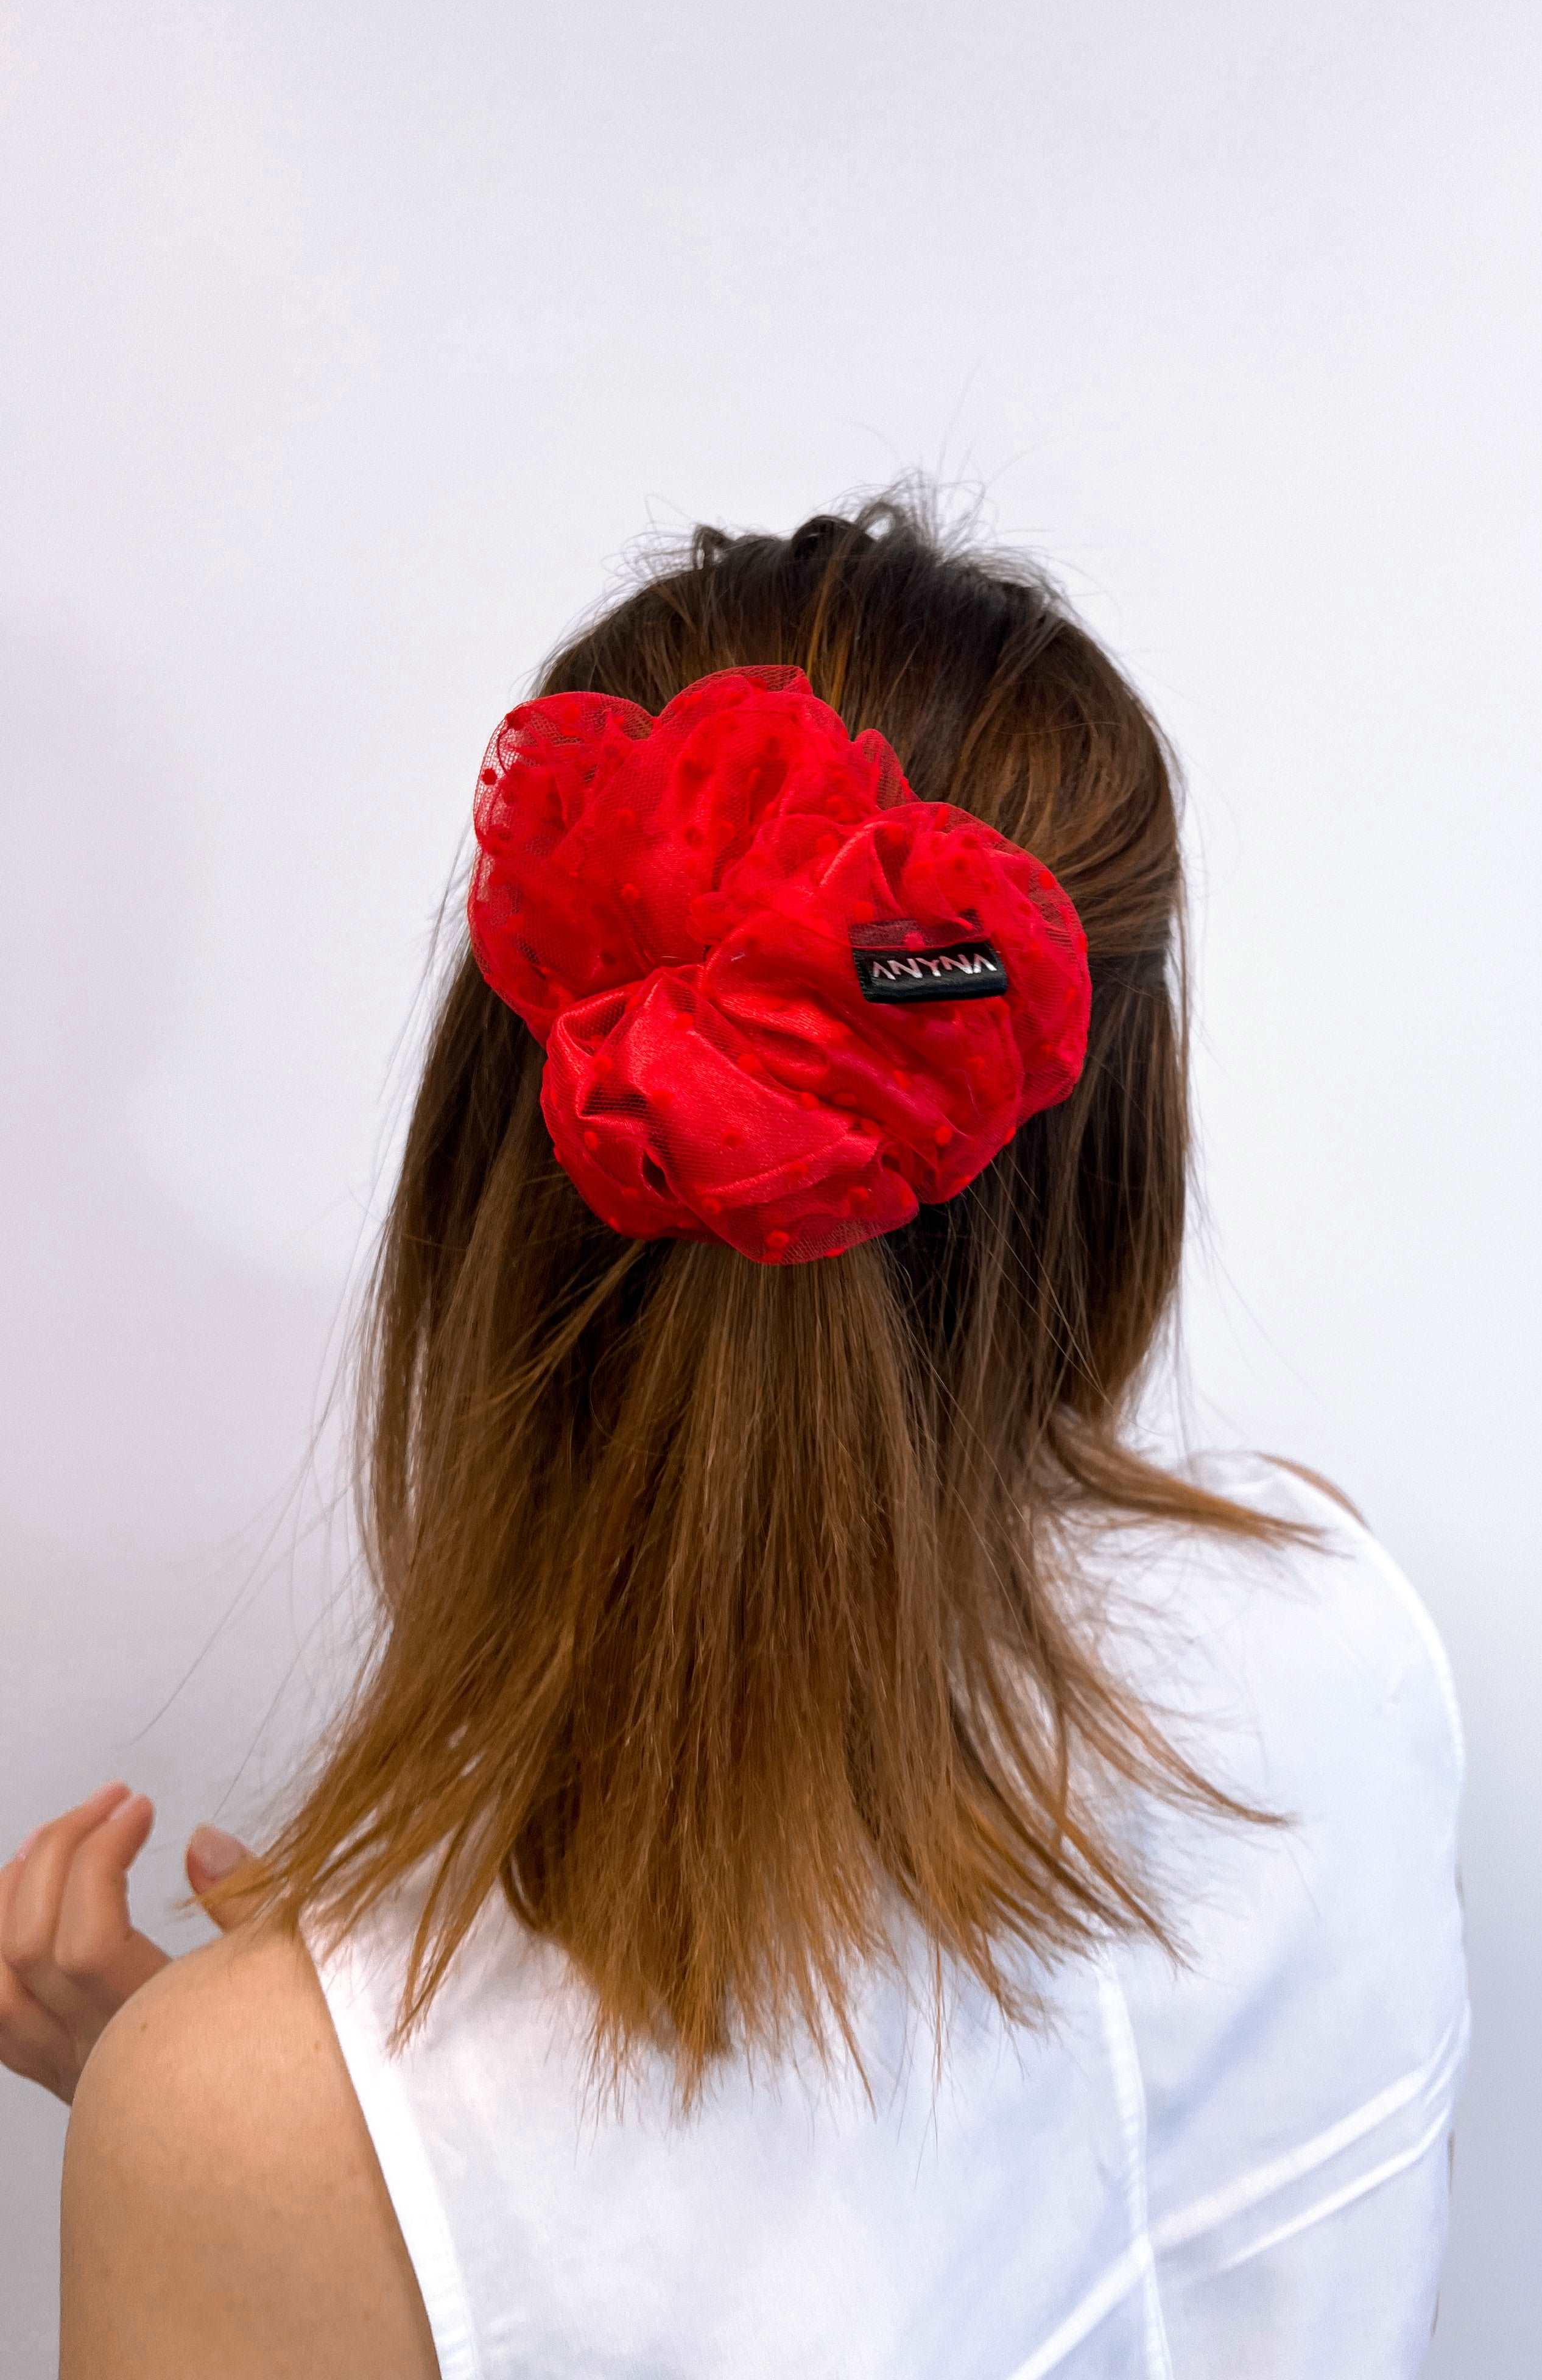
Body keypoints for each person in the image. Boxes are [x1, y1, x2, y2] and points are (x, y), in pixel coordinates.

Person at [1, 497, 1468, 2378]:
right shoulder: (1339, 1627)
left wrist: (261, 2165)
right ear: (1126, 1129)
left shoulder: (249, 2123)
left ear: (491, 1152)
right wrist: (319, 2160)